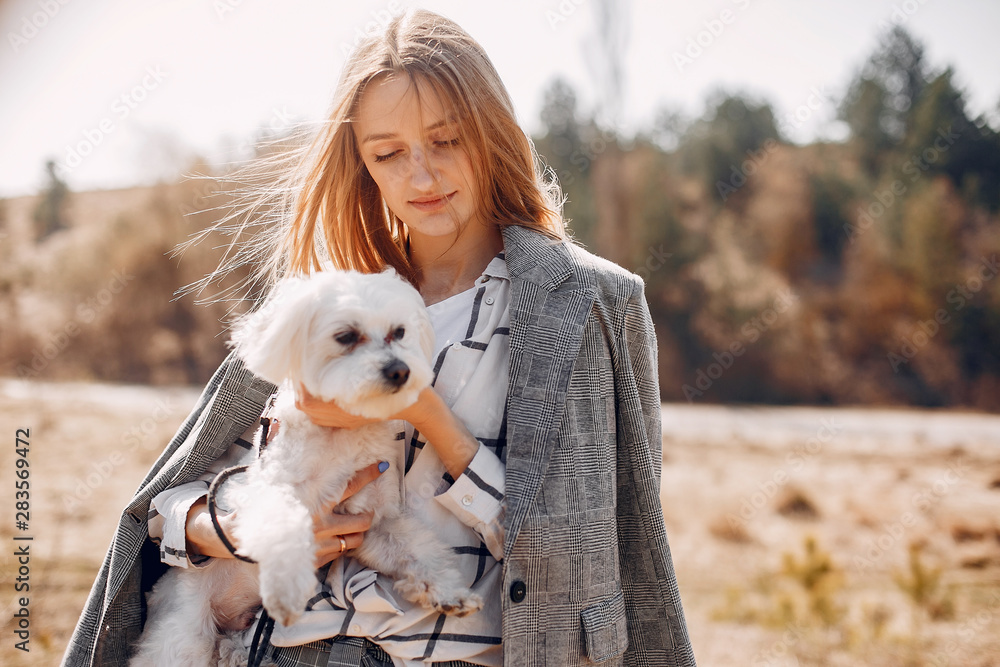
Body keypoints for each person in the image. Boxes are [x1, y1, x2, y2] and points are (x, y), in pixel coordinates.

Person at [62, 8, 696, 667]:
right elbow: (167, 506)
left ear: (493, 135)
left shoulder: (592, 303)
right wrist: (232, 530)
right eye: (388, 154)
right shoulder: (327, 306)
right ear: (362, 165)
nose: (420, 177)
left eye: (446, 141)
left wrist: (427, 413)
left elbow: (602, 550)